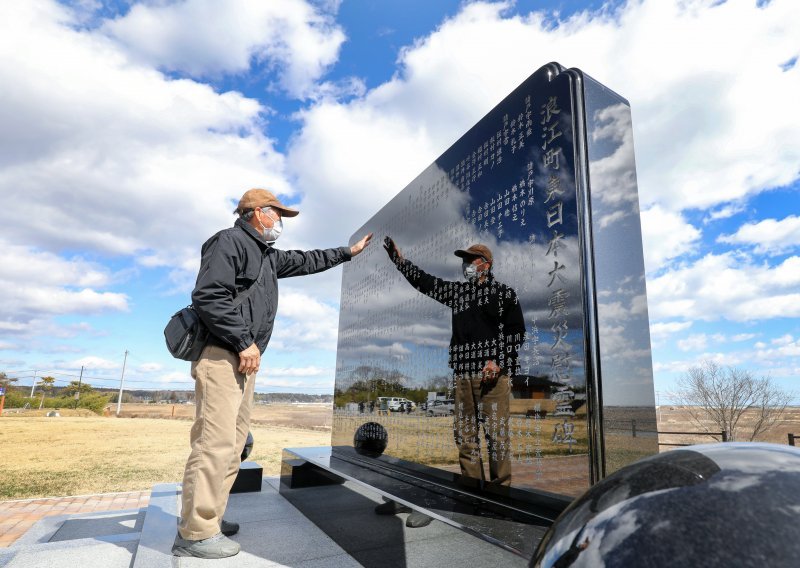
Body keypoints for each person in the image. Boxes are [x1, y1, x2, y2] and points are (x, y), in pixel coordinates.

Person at [172, 188, 372, 559]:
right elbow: (209, 296)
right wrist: (244, 341)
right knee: (213, 444)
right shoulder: (228, 241)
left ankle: (209, 519)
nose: (280, 222)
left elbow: (306, 260)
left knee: (232, 446)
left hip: (244, 360)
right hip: (223, 355)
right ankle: (195, 532)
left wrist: (348, 252)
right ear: (257, 212)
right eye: (277, 215)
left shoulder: (266, 256)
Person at [384, 237, 524, 487]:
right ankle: (472, 493)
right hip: (463, 376)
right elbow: (426, 283)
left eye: (471, 260)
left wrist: (499, 362)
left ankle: (501, 496)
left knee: (497, 437)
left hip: (492, 378)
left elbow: (517, 332)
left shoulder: (504, 293)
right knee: (465, 436)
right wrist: (400, 262)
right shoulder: (459, 293)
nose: (466, 265)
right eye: (464, 261)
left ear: (486, 264)